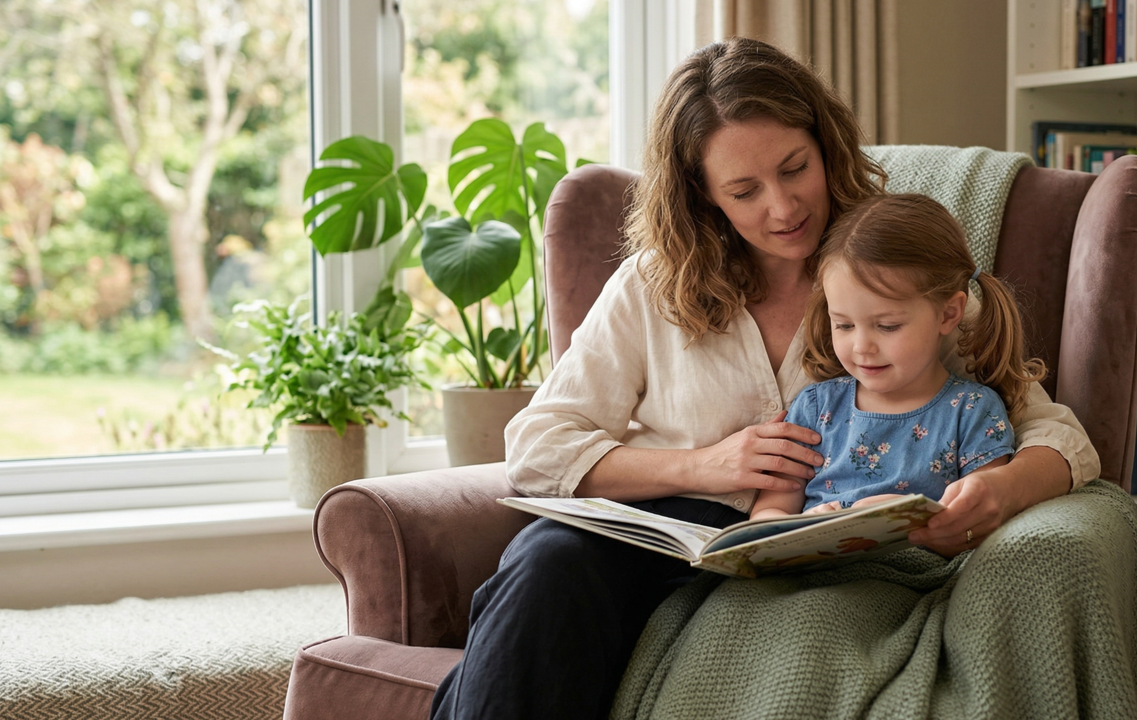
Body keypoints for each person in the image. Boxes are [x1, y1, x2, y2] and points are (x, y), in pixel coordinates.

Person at [429, 37, 1099, 720]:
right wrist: (703, 465)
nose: (783, 208)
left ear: (826, 146)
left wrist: (1001, 489)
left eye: (795, 168)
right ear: (702, 193)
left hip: (811, 549)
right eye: (744, 191)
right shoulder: (650, 285)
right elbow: (536, 449)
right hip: (664, 533)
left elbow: (1056, 434)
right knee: (545, 565)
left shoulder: (889, 273)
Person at [750, 194, 1044, 521]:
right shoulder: (816, 408)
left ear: (948, 314)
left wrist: (900, 517)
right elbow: (769, 511)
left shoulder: (973, 412)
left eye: (887, 326)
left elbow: (977, 516)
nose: (862, 347)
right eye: (844, 325)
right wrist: (798, 526)